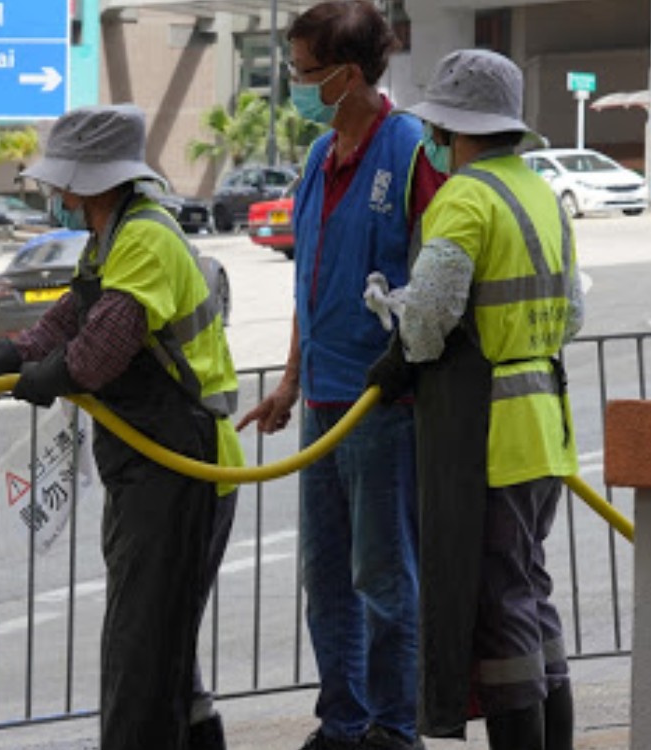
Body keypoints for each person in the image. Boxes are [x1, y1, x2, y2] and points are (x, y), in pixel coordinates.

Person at [0, 104, 246, 750]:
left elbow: (96, 353)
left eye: (62, 183)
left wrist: (34, 381)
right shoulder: (109, 242)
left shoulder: (147, 239)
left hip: (185, 464)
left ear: (93, 182)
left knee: (142, 654)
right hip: (147, 466)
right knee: (161, 653)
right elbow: (53, 331)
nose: (55, 195)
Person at [234, 3, 445, 749]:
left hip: (384, 405)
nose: (294, 85)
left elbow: (440, 279)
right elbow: (310, 287)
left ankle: (394, 725)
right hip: (324, 401)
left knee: (385, 579)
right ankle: (343, 720)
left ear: (348, 75)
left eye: (303, 72)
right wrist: (291, 379)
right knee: (326, 581)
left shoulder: (412, 150)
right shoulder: (319, 160)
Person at [365, 48, 583, 750]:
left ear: (452, 130)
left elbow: (428, 314)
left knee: (499, 610)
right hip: (546, 426)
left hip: (490, 435)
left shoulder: (465, 196)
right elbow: (572, 313)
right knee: (528, 595)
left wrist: (400, 358)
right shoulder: (541, 192)